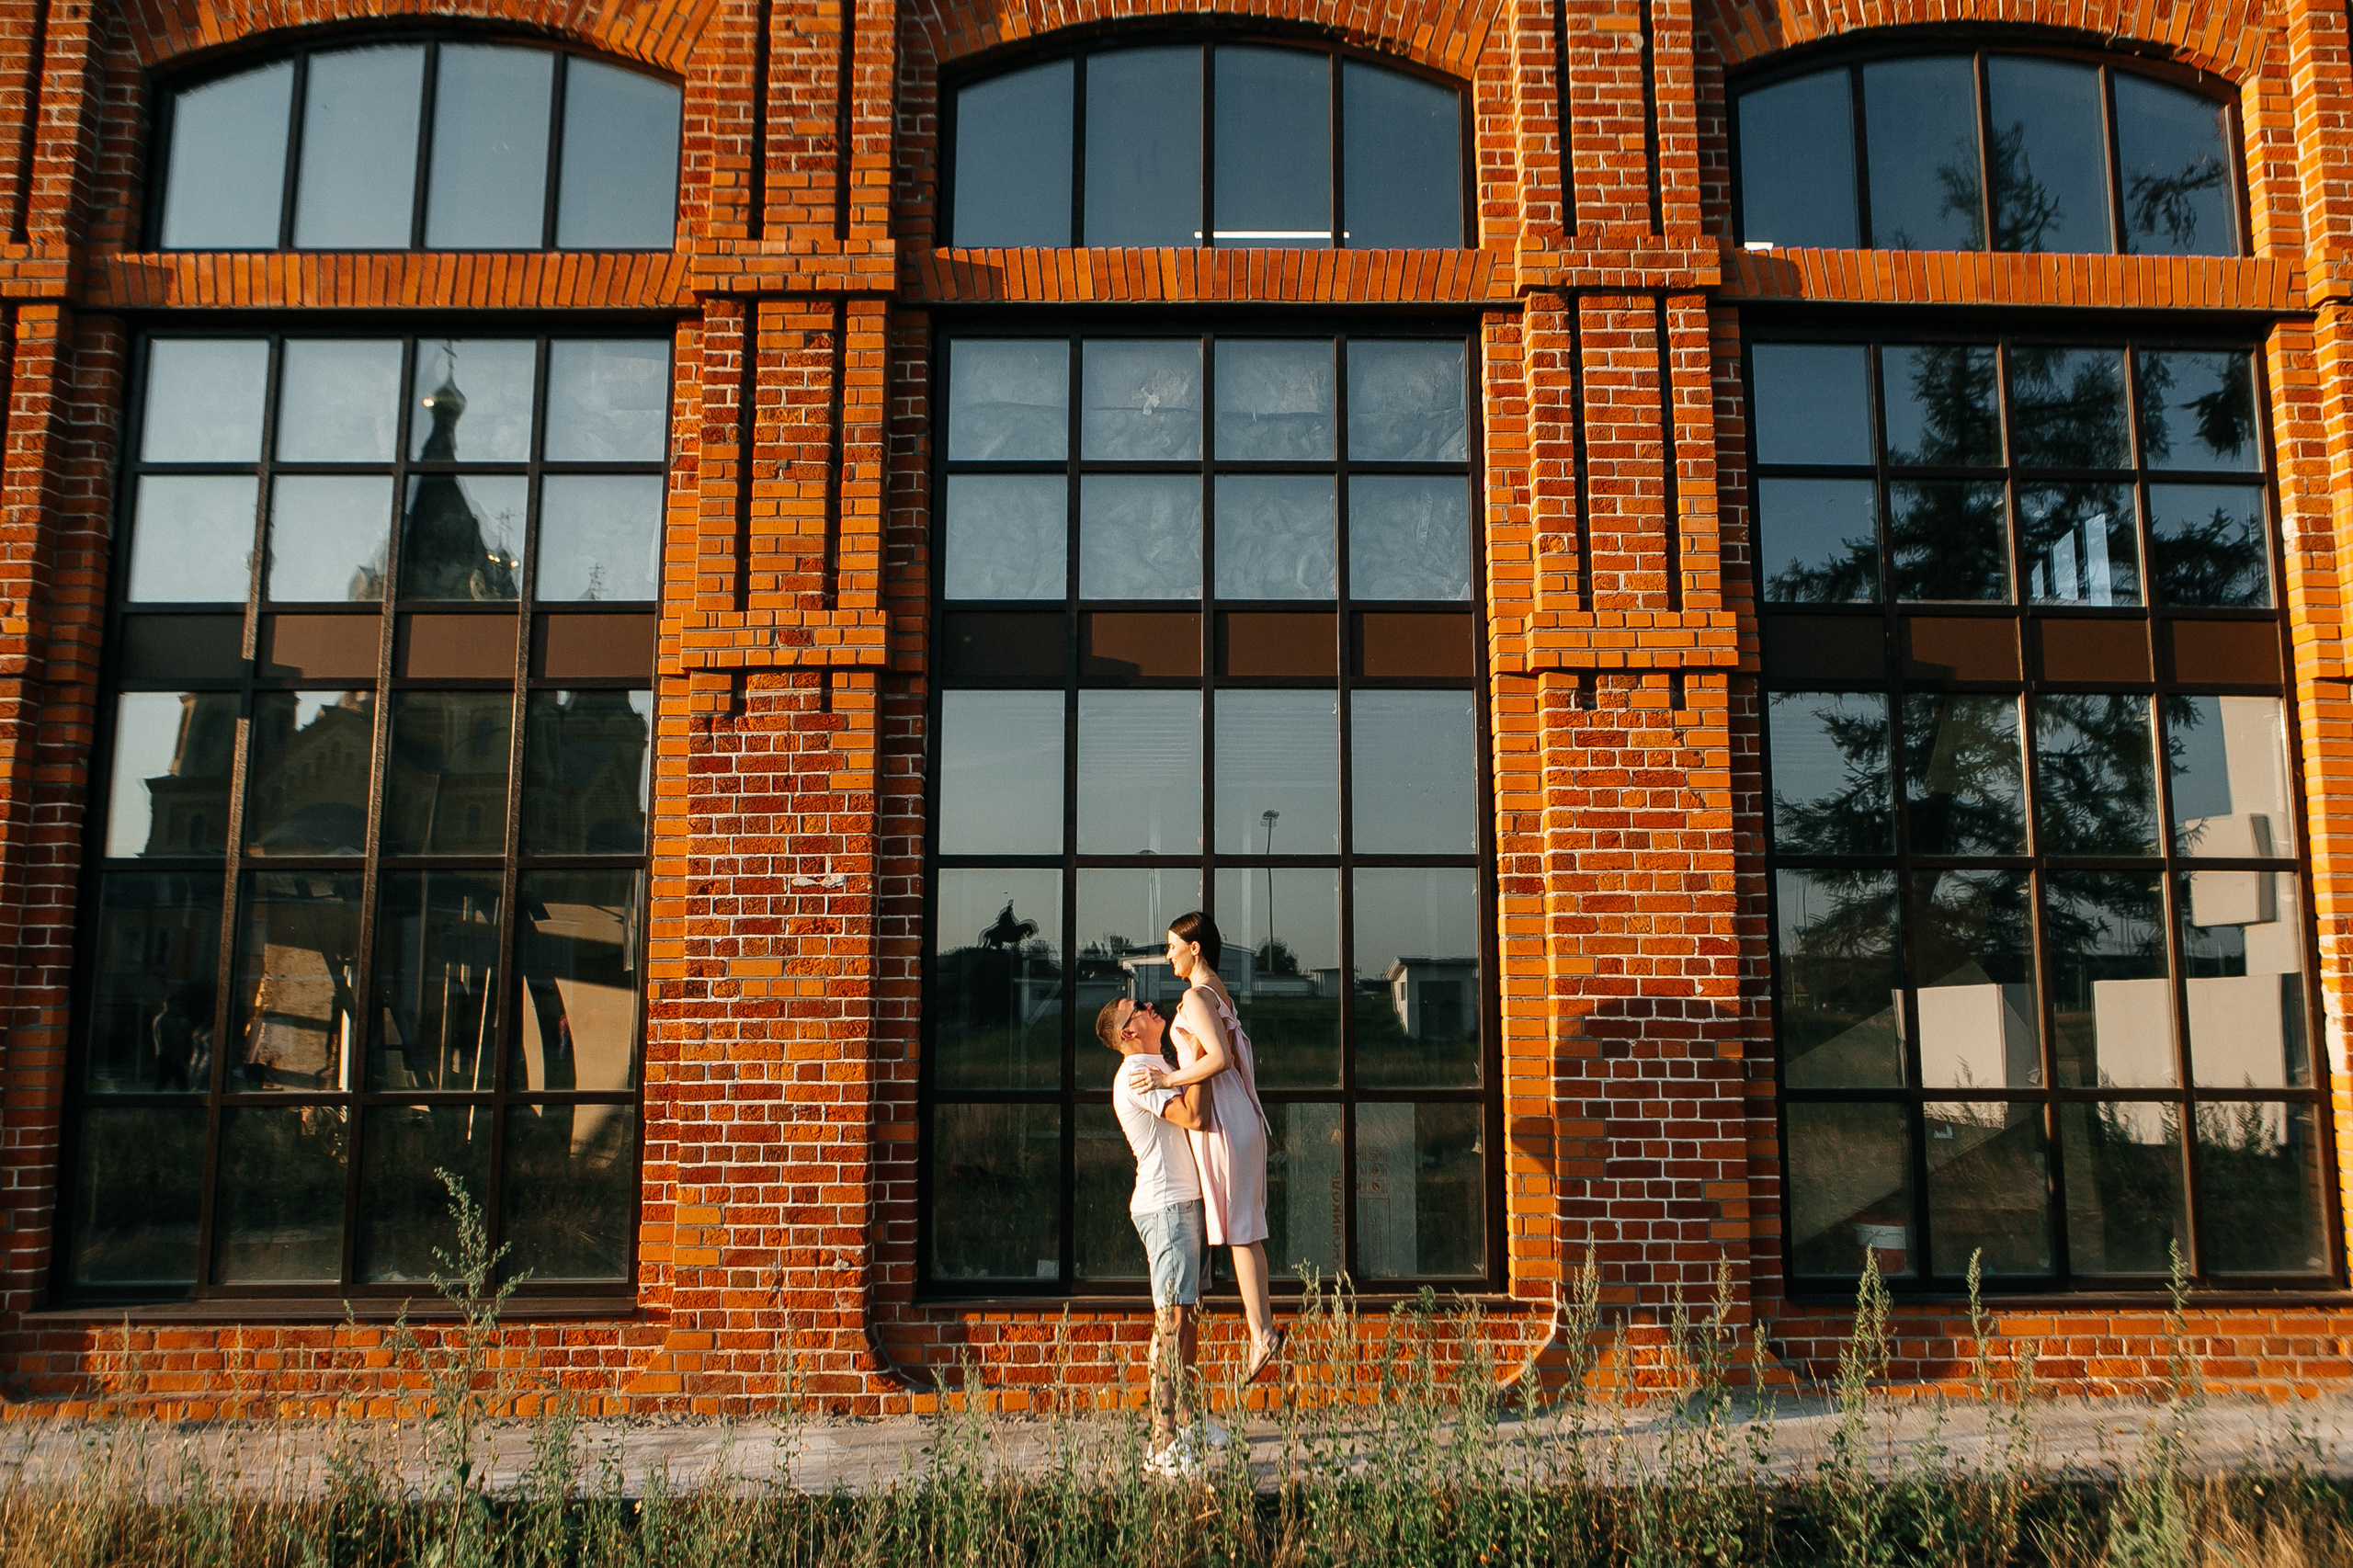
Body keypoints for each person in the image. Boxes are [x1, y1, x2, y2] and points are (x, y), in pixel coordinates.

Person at [1142, 912, 1286, 1383]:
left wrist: (1169, 1078)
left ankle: (1262, 1336)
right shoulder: (1218, 992)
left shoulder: (1197, 996)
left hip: (1225, 1123)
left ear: (1195, 948)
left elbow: (1219, 1060)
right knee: (1246, 1228)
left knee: (1240, 1230)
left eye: (1172, 948)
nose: (1169, 957)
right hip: (1238, 1119)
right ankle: (1260, 1332)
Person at [1096, 994, 1224, 1478]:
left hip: (1184, 1204)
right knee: (1170, 1321)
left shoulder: (1158, 1065)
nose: (1151, 1008)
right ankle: (1162, 1442)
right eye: (1139, 1010)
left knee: (1187, 1316)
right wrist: (1204, 1061)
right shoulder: (1137, 1074)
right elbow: (1192, 1117)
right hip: (1166, 1207)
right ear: (1128, 1033)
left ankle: (1187, 1421)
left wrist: (1190, 1063)